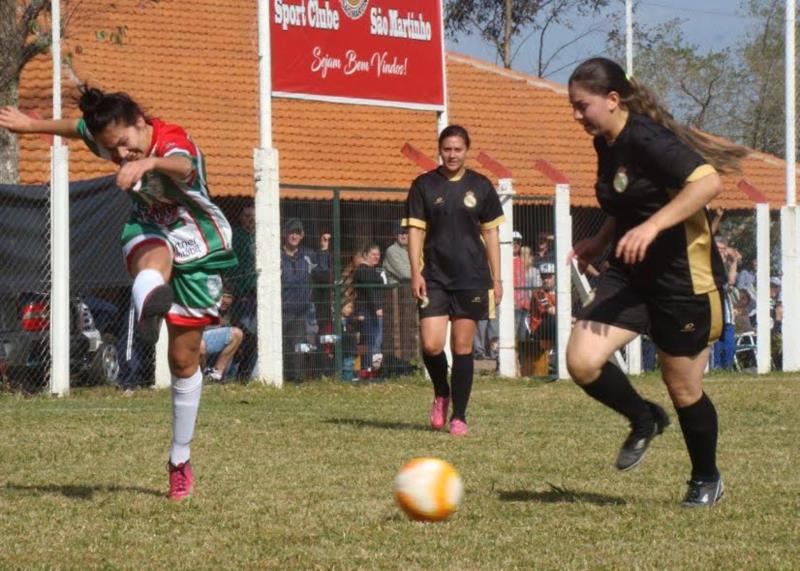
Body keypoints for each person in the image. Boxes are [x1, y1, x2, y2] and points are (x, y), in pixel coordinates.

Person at [0, 87, 238, 500]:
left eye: (126, 144)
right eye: (113, 150)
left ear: (141, 123)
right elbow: (78, 129)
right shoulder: (113, 139)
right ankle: (148, 297)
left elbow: (182, 167)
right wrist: (33, 126)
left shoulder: (173, 140)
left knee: (183, 361)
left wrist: (147, 160)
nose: (121, 154)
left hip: (199, 245)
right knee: (152, 253)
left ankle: (179, 459)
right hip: (149, 230)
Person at [566, 58, 746, 507]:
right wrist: (601, 238)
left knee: (683, 386)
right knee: (582, 361)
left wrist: (651, 228)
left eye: (581, 106)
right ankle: (644, 419)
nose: (576, 115)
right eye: (572, 106)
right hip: (630, 275)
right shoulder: (606, 141)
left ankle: (706, 477)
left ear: (612, 100)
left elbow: (707, 183)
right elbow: (627, 198)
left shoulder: (649, 139)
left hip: (681, 278)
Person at [404, 124, 504, 436]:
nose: (452, 154)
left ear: (466, 151)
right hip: (433, 276)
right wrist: (416, 272)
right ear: (440, 149)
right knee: (432, 345)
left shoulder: (481, 186)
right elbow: (415, 231)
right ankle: (441, 393)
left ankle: (459, 416)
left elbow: (491, 233)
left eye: (457, 149)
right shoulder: (424, 185)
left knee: (462, 347)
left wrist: (497, 279)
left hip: (471, 278)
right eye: (447, 149)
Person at [229, 201, 258, 379]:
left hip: (258, 296)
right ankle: (234, 373)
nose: (250, 220)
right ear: (241, 218)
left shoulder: (259, 236)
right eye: (247, 217)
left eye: (253, 217)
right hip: (241, 295)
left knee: (255, 338)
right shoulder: (237, 236)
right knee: (243, 335)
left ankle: (247, 373)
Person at [353, 243, 386, 379]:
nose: (376, 257)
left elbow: (382, 283)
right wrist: (377, 307)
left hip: (369, 311)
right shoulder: (363, 270)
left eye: (378, 254)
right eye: (373, 254)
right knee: (371, 341)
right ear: (365, 255)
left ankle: (366, 369)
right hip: (368, 312)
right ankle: (368, 369)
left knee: (367, 342)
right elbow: (370, 289)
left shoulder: (373, 271)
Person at [200, 288, 243, 382]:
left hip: (216, 345)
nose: (225, 300)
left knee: (237, 341)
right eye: (223, 296)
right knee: (201, 345)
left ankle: (217, 377)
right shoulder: (207, 307)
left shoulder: (232, 313)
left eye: (229, 297)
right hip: (201, 340)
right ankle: (204, 374)